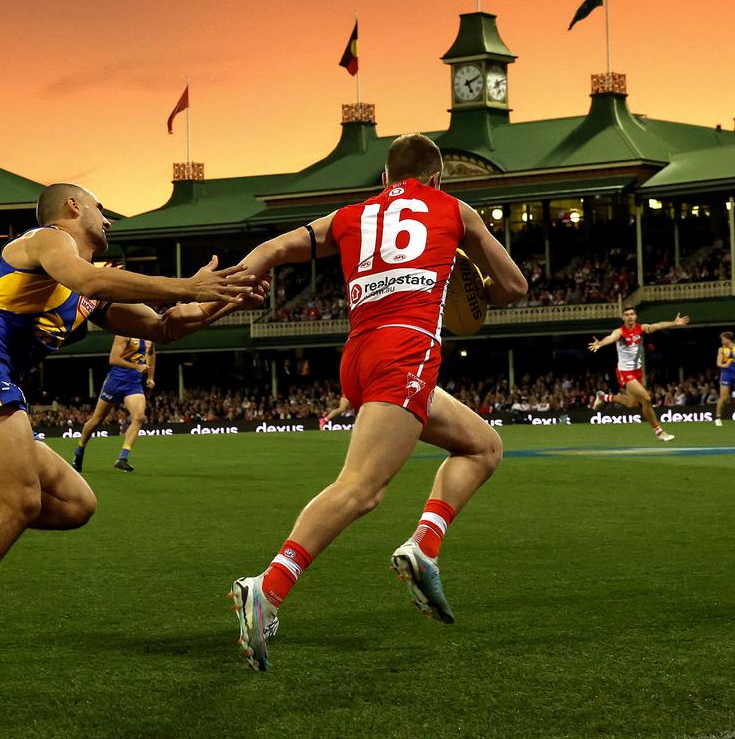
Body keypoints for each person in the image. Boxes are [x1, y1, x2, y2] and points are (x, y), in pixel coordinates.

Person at [0, 182, 262, 674]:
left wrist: (227, 299)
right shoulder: (45, 240)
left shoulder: (91, 284)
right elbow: (88, 280)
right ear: (72, 206)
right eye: (101, 208)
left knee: (76, 505)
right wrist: (189, 284)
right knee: (20, 503)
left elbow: (164, 327)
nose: (108, 220)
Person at [223, 133, 528, 671]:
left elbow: (271, 250)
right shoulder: (455, 209)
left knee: (483, 446)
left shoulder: (351, 214)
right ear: (437, 178)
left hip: (360, 352)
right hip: (407, 349)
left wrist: (237, 286)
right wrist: (475, 286)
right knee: (361, 490)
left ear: (385, 179)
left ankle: (423, 547)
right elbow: (514, 287)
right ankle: (265, 589)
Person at [589, 307, 690, 441]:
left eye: (632, 314)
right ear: (623, 318)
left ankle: (603, 398)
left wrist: (674, 323)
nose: (630, 317)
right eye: (627, 315)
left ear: (635, 316)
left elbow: (657, 325)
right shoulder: (619, 332)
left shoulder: (641, 328)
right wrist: (600, 344)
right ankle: (659, 432)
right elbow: (611, 338)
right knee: (646, 399)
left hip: (637, 371)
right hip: (624, 372)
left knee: (632, 404)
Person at [72, 336, 155, 472]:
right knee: (97, 420)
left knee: (139, 417)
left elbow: (151, 354)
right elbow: (113, 359)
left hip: (134, 384)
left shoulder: (147, 335)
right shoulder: (124, 333)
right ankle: (80, 450)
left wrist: (151, 377)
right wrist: (136, 366)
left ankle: (122, 458)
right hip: (115, 382)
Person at [715, 331, 734, 427]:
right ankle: (718, 418)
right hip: (726, 373)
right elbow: (718, 363)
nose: (721, 340)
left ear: (728, 339)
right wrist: (725, 364)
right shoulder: (721, 349)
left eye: (723, 338)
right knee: (724, 397)